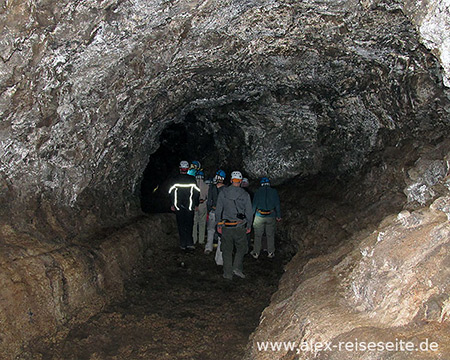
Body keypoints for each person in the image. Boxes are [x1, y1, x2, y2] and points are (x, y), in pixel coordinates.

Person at [215, 171, 253, 280]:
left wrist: (218, 224)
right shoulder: (245, 194)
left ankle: (227, 274)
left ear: (231, 180)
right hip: (240, 227)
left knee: (226, 250)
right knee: (241, 248)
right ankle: (237, 267)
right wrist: (249, 225)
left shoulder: (223, 193)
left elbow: (218, 210)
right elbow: (249, 212)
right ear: (240, 182)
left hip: (226, 226)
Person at [169, 161, 201, 251]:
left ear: (180, 169)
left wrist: (172, 204)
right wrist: (196, 204)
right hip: (189, 206)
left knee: (181, 225)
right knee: (189, 225)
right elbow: (197, 192)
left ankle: (183, 243)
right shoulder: (192, 179)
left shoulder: (175, 179)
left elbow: (171, 192)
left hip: (178, 206)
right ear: (187, 169)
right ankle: (190, 243)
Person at [251, 177, 281, 259]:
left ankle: (256, 253)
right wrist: (278, 216)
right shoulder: (274, 192)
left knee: (258, 235)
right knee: (270, 235)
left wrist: (251, 216)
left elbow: (254, 205)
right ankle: (270, 252)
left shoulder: (258, 192)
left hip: (259, 215)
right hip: (271, 215)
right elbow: (277, 204)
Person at [204, 169, 227, 254]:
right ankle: (219, 250)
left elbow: (209, 201)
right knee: (220, 233)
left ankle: (208, 248)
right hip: (221, 214)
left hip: (214, 212)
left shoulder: (212, 187)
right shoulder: (226, 189)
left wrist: (209, 210)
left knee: (211, 230)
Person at [192, 170, 208, 246]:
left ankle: (194, 239)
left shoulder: (193, 185)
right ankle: (201, 240)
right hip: (203, 204)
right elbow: (208, 197)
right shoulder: (206, 185)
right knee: (202, 223)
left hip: (195, 205)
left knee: (194, 223)